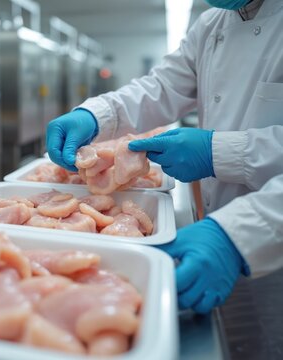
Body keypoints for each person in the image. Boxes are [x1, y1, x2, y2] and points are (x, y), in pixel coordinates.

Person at [47, 0, 283, 313]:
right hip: (213, 233)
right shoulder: (212, 25)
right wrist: (95, 115)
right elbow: (161, 87)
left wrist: (221, 156)